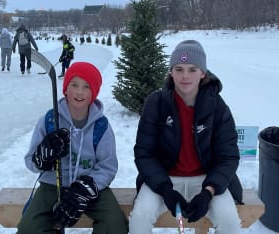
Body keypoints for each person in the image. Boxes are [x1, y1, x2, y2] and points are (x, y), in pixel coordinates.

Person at [129, 40, 243, 234]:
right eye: (179, 69)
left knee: (230, 221)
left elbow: (228, 156)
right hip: (164, 178)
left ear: (203, 73)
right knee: (140, 216)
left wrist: (208, 193)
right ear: (171, 72)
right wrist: (165, 189)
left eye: (192, 69)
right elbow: (144, 153)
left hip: (207, 179)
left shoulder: (218, 106)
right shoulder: (155, 103)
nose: (185, 76)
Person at [17, 62, 128, 234]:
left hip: (90, 187)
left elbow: (108, 167)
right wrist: (42, 157)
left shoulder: (101, 126)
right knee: (29, 228)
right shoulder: (49, 120)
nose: (79, 92)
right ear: (65, 89)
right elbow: (30, 161)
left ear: (94, 93)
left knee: (114, 224)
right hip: (52, 184)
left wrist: (85, 189)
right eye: (74, 84)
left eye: (86, 87)